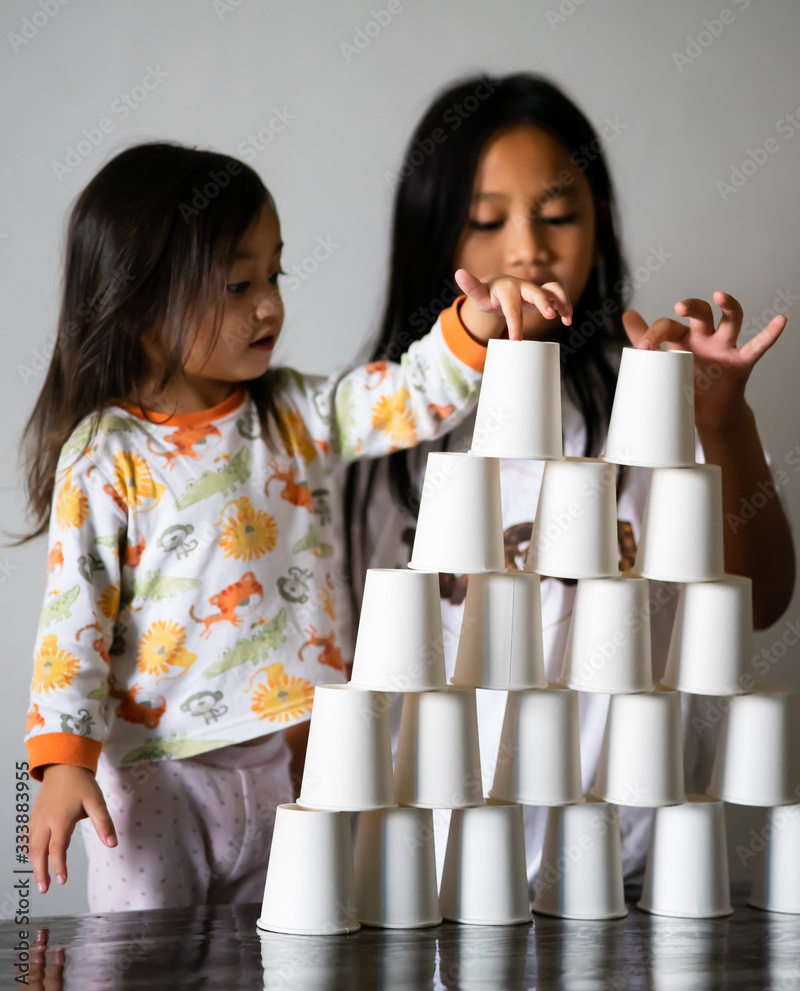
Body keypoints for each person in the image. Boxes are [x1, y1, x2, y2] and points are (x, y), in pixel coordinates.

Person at [14, 140, 571, 911]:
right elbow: (74, 617)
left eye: (274, 274)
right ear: (141, 309)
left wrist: (470, 328)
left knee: (295, 954)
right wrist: (62, 762)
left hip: (299, 759)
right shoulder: (107, 455)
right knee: (148, 970)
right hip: (159, 777)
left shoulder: (293, 413)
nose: (270, 303)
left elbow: (405, 395)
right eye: (239, 284)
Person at [345, 73, 796, 891]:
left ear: (600, 226)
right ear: (431, 238)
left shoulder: (654, 397)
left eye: (558, 215)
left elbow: (760, 599)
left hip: (628, 870)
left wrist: (723, 421)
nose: (527, 248)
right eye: (486, 221)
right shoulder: (389, 426)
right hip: (431, 880)